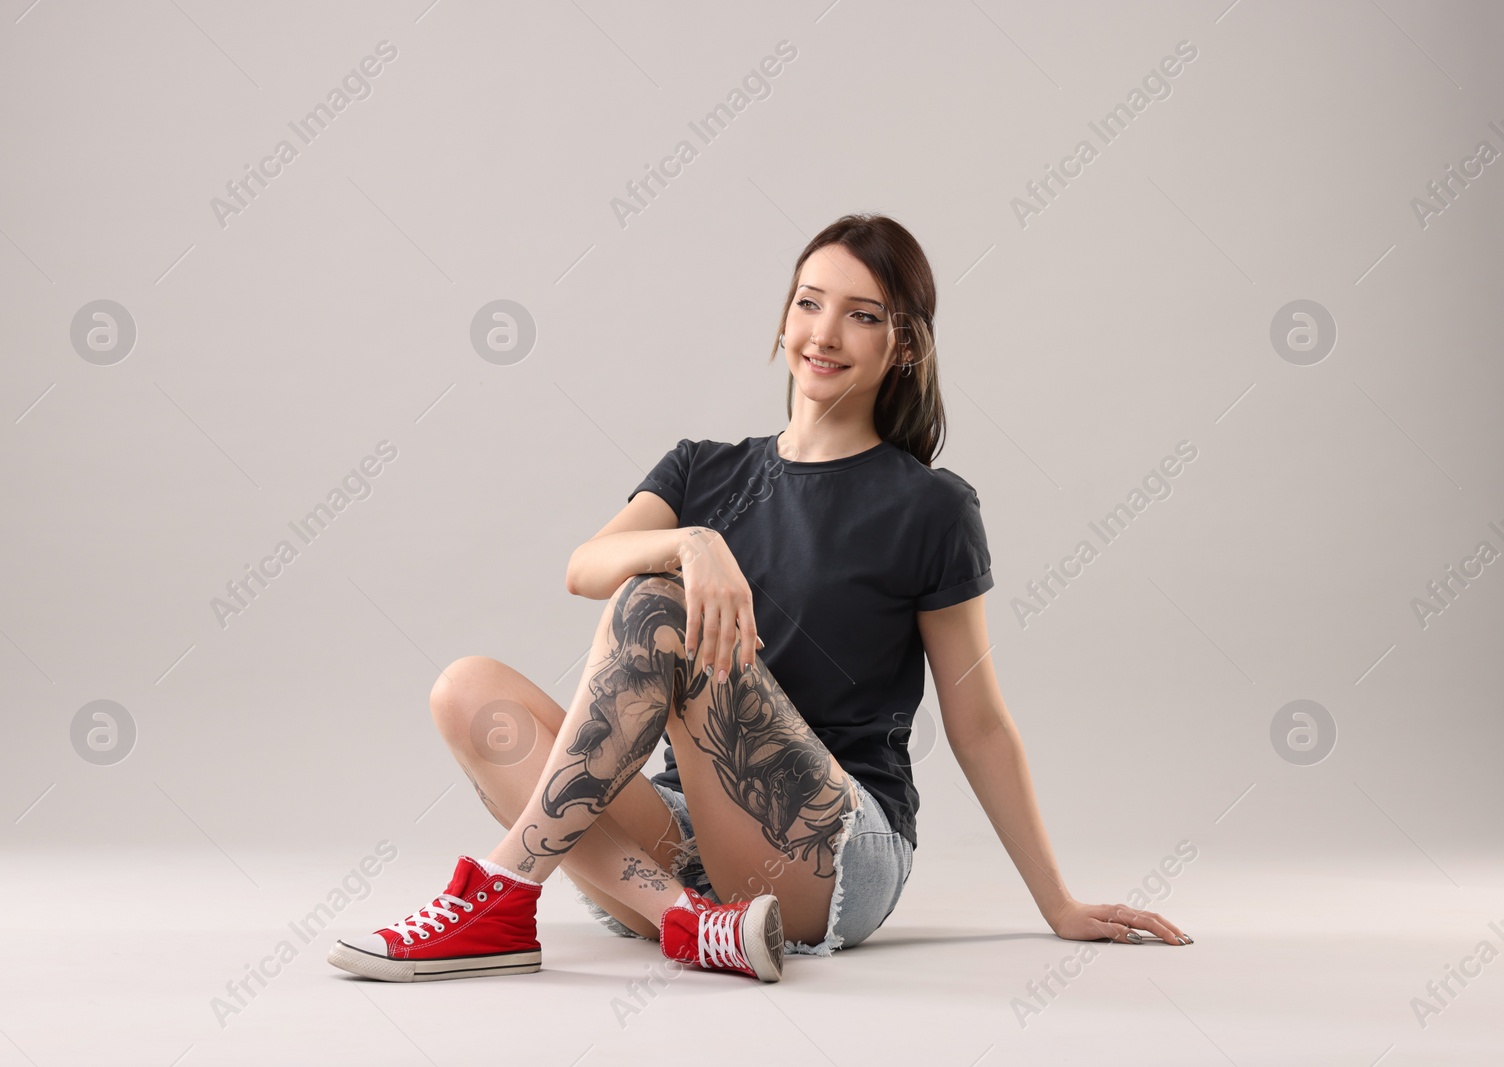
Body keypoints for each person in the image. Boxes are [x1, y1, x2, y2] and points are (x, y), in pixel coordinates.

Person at [327, 213, 1193, 985]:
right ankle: (688, 920)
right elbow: (585, 563)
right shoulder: (706, 469)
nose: (826, 332)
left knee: (655, 609)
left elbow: (980, 723)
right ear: (783, 318)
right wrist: (693, 538)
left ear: (904, 345)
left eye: (862, 314)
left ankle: (501, 895)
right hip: (678, 849)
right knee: (467, 690)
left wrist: (1059, 903)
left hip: (831, 849)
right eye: (810, 302)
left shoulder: (932, 507)